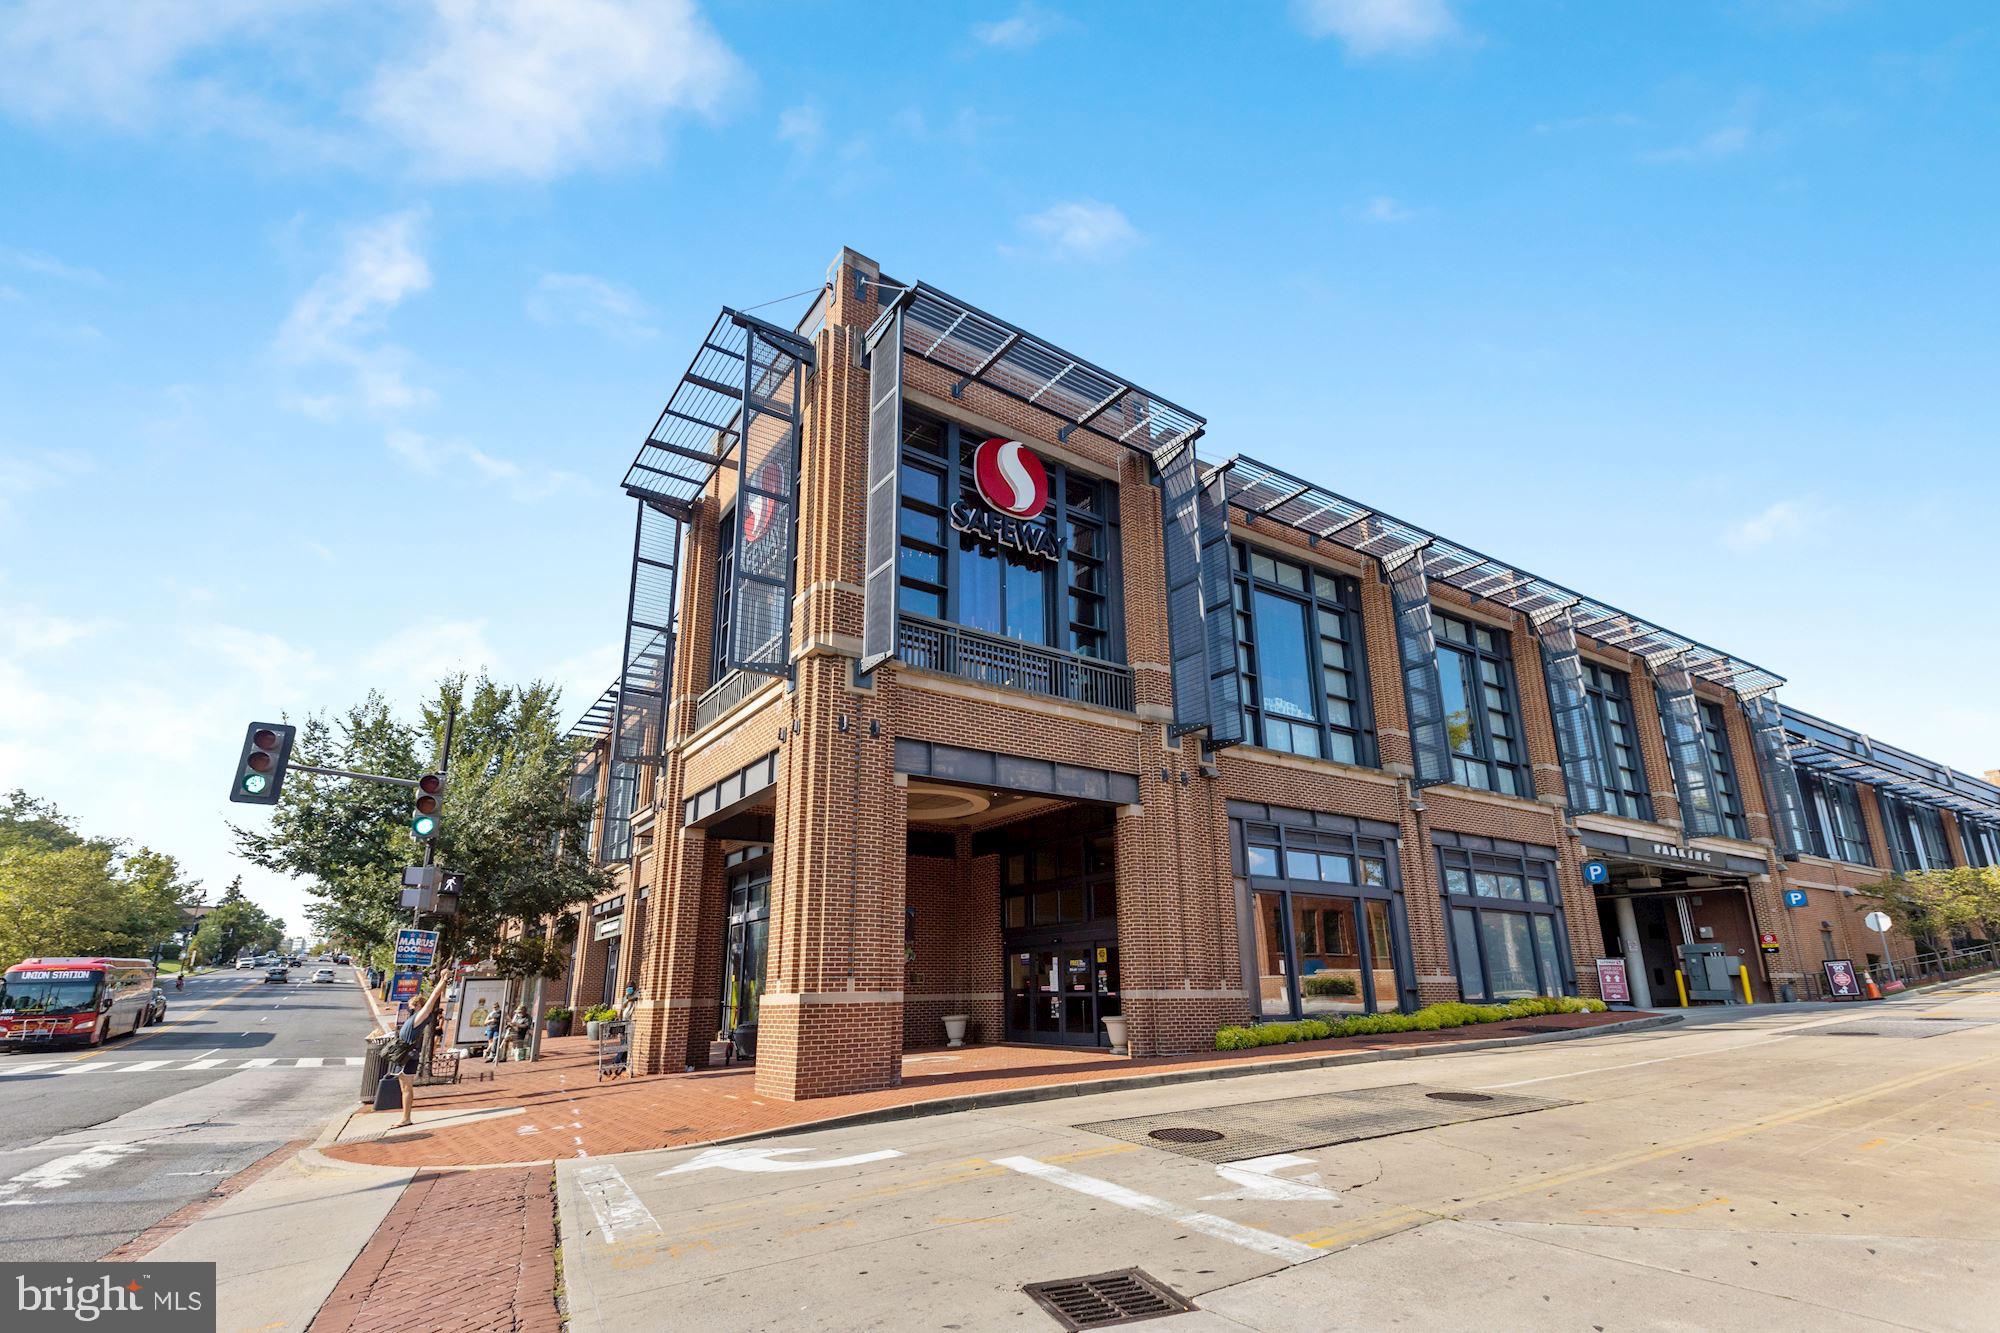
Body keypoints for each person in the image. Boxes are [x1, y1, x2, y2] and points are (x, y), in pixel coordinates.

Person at [392, 971, 447, 1129]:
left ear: (419, 1006)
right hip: (404, 1054)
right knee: (404, 1087)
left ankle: (406, 1118)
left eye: (412, 1005)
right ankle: (404, 1116)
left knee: (407, 1087)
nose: (409, 1007)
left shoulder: (420, 1016)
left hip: (408, 1056)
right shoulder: (414, 1018)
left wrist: (443, 980)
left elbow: (435, 995)